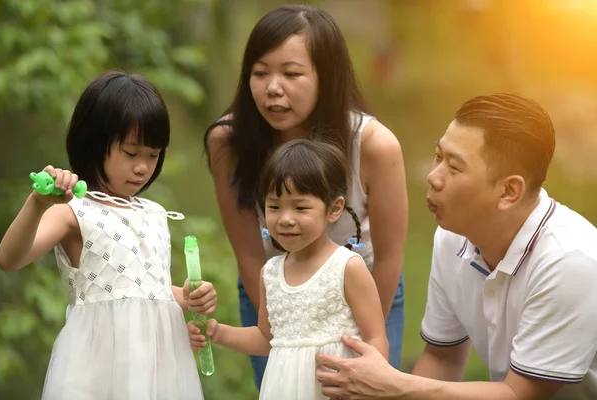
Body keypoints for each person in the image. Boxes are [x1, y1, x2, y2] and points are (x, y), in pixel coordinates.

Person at [315, 93, 597, 400]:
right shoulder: (453, 237)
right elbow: (442, 357)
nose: (432, 177)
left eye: (454, 167)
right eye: (439, 156)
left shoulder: (569, 260)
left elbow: (520, 394)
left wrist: (393, 386)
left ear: (509, 191)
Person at [204, 4, 408, 389]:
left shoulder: (374, 145)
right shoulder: (229, 142)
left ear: (325, 76)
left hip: (363, 291)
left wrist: (365, 335)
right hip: (276, 288)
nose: (272, 88)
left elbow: (390, 255)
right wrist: (283, 320)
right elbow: (249, 253)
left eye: (292, 73)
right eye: (260, 73)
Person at [0, 71, 217, 400]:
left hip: (160, 367)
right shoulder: (73, 209)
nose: (143, 167)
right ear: (95, 143)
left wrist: (184, 296)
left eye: (153, 154)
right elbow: (8, 259)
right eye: (131, 154)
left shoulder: (153, 212)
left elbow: (141, 288)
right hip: (97, 367)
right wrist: (37, 204)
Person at [189, 139, 389, 399]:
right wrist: (219, 332)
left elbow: (376, 338)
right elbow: (266, 338)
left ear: (334, 209)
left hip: (335, 390)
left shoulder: (346, 267)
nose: (285, 218)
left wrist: (372, 383)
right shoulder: (270, 272)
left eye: (300, 207)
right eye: (274, 206)